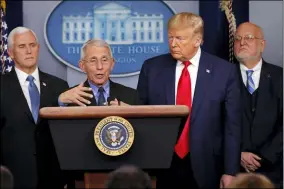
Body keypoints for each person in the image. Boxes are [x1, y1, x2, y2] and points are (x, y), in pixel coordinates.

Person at [137, 12, 241, 188]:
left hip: (208, 165)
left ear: (197, 40)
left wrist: (230, 171)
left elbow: (232, 126)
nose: (173, 43)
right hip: (162, 165)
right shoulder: (152, 68)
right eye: (170, 37)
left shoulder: (225, 71)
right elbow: (141, 115)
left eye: (180, 38)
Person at [0, 27, 69, 188]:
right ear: (10, 52)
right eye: (22, 46)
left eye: (32, 45)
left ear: (38, 48)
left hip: (52, 177)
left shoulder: (59, 86)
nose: (29, 51)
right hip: (12, 176)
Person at [234, 22, 283, 188]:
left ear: (262, 44)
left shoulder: (280, 77)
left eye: (248, 38)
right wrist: (237, 153)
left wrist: (263, 157)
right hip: (233, 172)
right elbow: (213, 123)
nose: (242, 42)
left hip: (275, 171)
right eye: (238, 38)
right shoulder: (221, 78)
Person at [58, 39, 140, 106]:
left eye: (104, 60)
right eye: (93, 61)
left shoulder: (131, 96)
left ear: (112, 64)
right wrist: (61, 103)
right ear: (82, 66)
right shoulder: (70, 98)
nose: (99, 67)